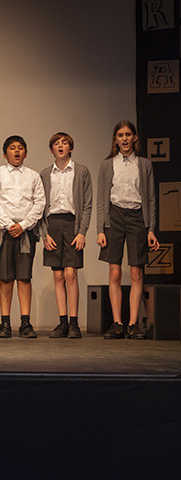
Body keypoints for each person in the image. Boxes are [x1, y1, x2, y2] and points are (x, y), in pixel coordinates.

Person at [97, 121, 159, 339]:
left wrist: (151, 229)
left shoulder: (144, 164)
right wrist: (100, 229)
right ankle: (117, 323)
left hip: (137, 217)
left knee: (136, 272)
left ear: (135, 137)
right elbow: (102, 199)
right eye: (120, 135)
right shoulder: (107, 165)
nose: (124, 138)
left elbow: (151, 199)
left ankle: (132, 324)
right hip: (114, 217)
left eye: (128, 134)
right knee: (114, 272)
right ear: (115, 139)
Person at [0, 135, 45, 339]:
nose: (17, 151)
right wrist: (8, 224)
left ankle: (25, 323)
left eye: (20, 148)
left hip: (26, 232)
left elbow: (39, 203)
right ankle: (5, 323)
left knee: (24, 277)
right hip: (4, 231)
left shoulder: (33, 176)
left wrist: (22, 225)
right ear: (5, 154)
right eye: (12, 148)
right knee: (5, 278)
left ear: (26, 153)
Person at [39, 132, 92, 338]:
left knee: (71, 274)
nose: (60, 146)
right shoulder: (45, 174)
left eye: (64, 143)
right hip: (53, 224)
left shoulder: (81, 171)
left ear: (71, 148)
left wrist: (82, 232)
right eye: (56, 143)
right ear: (51, 149)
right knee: (58, 275)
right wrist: (44, 234)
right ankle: (62, 323)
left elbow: (87, 205)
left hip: (72, 224)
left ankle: (74, 323)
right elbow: (40, 205)